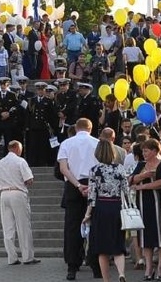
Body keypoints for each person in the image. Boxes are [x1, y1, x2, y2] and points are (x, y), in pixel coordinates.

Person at [57, 118, 101, 281]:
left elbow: (63, 168)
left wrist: (77, 185)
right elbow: (100, 167)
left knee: (72, 227)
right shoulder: (98, 143)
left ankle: (72, 267)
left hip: (73, 187)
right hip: (93, 186)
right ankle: (96, 266)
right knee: (96, 226)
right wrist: (91, 186)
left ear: (76, 128)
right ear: (90, 128)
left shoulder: (66, 144)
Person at [83, 138, 130, 282]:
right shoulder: (120, 168)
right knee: (118, 244)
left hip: (101, 207)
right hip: (116, 206)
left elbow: (92, 195)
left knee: (101, 248)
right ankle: (121, 273)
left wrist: (87, 214)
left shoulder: (95, 170)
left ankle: (106, 280)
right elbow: (126, 191)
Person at [130, 138, 161, 281]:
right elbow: (130, 180)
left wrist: (143, 186)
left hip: (160, 204)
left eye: (146, 151)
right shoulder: (141, 165)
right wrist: (143, 176)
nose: (144, 153)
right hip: (143, 204)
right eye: (143, 151)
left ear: (155, 151)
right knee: (146, 237)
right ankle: (148, 267)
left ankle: (160, 267)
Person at [0, 140, 37, 266]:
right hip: (17, 193)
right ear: (17, 149)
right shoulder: (20, 161)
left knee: (8, 227)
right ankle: (27, 257)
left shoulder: (0, 163)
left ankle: (12, 257)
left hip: (4, 194)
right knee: (23, 226)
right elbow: (29, 180)